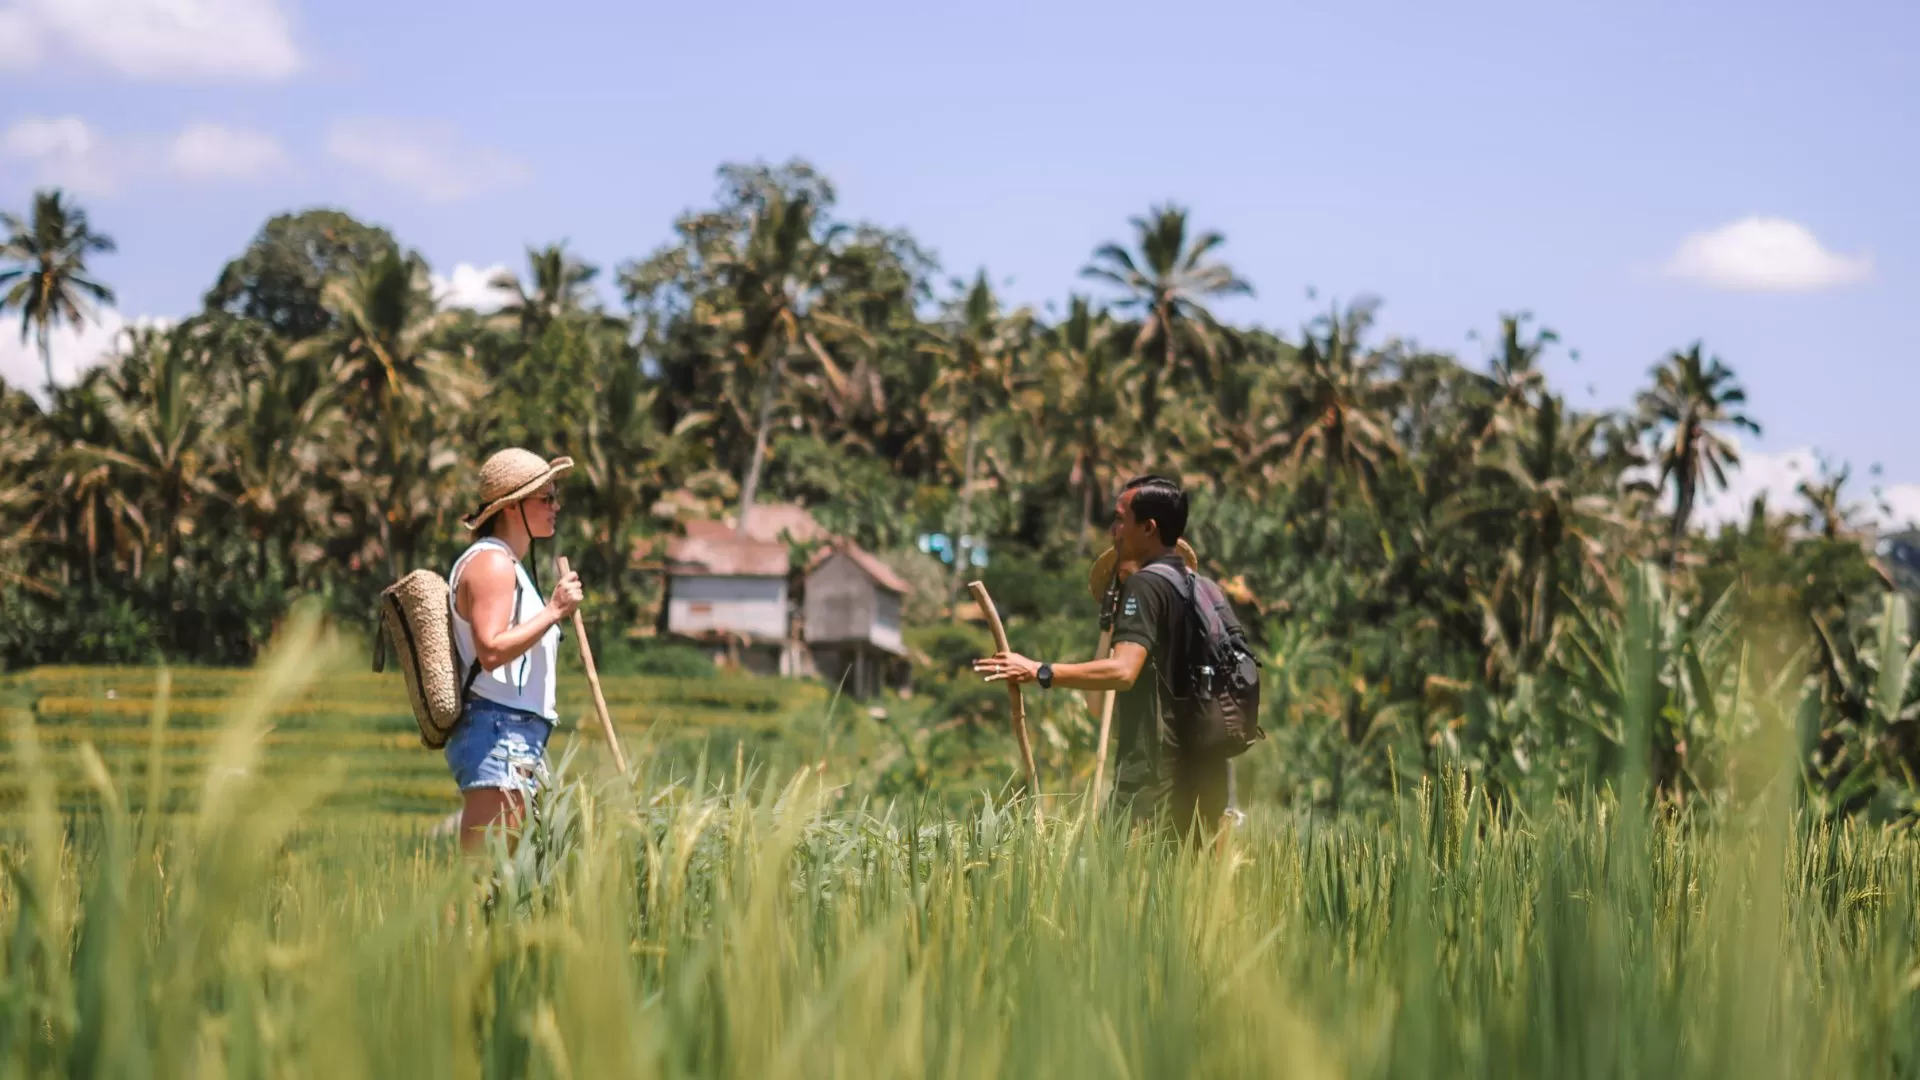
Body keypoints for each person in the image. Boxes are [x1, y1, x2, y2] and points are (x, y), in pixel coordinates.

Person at [975, 475, 1241, 840]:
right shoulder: (1206, 591)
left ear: (1148, 528)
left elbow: (1123, 671)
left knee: (1130, 889)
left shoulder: (1146, 586)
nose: (1114, 530)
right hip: (1210, 773)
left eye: (1120, 520)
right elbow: (1104, 703)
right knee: (1192, 891)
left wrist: (1039, 671)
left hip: (1153, 776)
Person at [445, 447, 583, 853]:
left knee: (504, 885)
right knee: (481, 881)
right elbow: (490, 649)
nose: (555, 506)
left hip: (512, 733)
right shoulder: (492, 564)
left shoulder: (509, 563)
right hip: (498, 732)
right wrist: (555, 610)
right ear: (512, 508)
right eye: (546, 498)